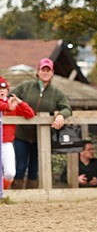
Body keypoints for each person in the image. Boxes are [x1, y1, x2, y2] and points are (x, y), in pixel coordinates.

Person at [11, 59, 73, 189]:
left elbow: (67, 108)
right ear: (37, 72)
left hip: (42, 137)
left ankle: (32, 193)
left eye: (48, 70)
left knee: (35, 168)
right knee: (21, 166)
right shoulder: (25, 86)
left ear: (52, 73)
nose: (45, 73)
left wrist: (61, 115)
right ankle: (16, 192)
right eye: (42, 70)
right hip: (21, 134)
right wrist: (15, 104)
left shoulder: (56, 93)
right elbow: (10, 96)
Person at [1, 76, 36, 190]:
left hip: (6, 143)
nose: (1, 91)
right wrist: (7, 106)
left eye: (4, 89)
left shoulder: (12, 104)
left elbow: (30, 114)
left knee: (10, 173)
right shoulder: (8, 105)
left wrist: (20, 103)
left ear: (7, 91)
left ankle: (2, 193)